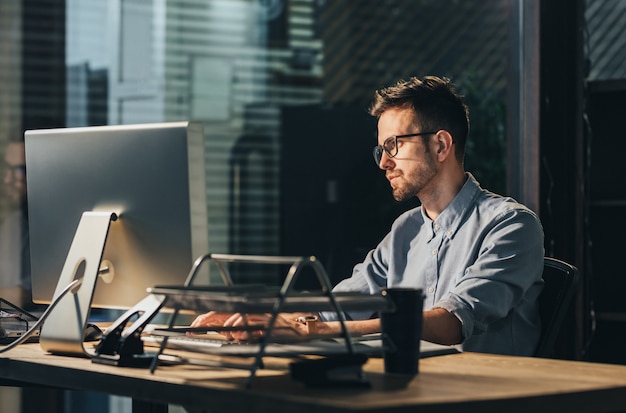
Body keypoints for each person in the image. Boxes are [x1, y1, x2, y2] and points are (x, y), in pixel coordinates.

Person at [190, 76, 545, 356]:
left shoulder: (510, 225)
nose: (384, 162)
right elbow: (339, 308)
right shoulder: (406, 230)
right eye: (381, 148)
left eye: (395, 145)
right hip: (411, 392)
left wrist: (316, 329)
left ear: (440, 145)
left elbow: (452, 322)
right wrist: (260, 320)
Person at [0, 139, 32, 309]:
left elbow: (23, 294)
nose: (7, 179)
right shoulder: (14, 222)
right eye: (7, 168)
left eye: (18, 170)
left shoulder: (61, 229)